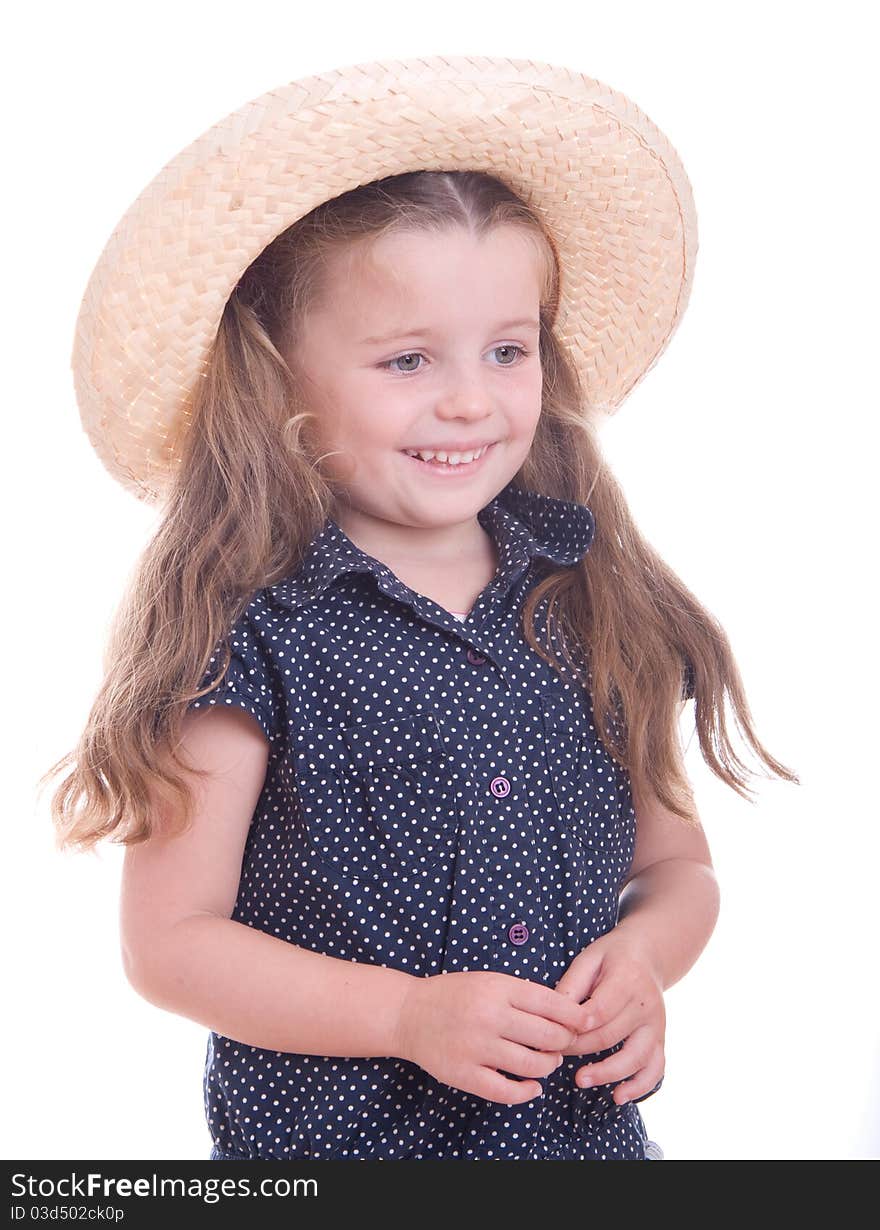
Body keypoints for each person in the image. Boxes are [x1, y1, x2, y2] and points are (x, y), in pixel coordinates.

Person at [40, 56, 798, 1162]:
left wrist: (642, 961)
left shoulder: (585, 598)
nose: (470, 400)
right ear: (278, 379)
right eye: (406, 359)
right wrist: (403, 1017)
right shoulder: (252, 634)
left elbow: (677, 868)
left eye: (506, 349)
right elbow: (172, 945)